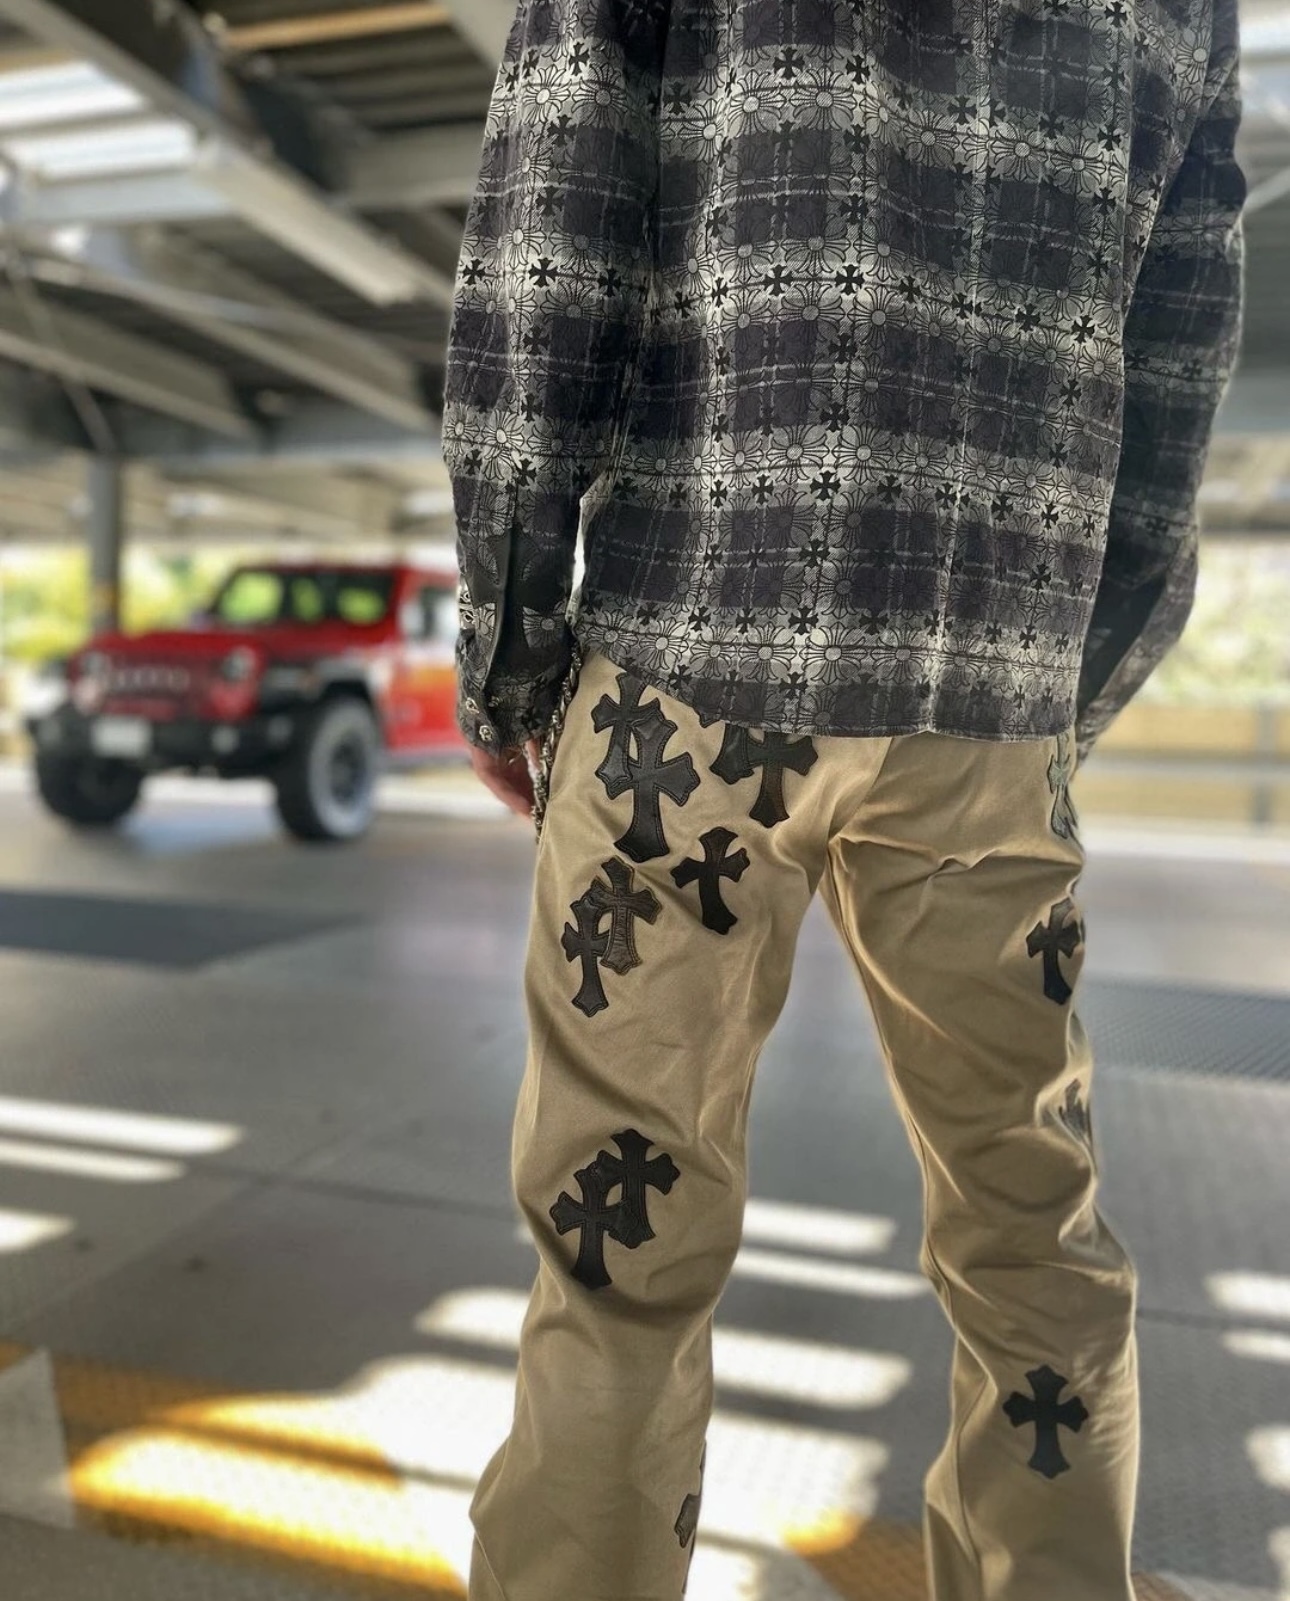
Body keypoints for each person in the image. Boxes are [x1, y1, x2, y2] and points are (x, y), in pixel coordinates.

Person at [439, 0, 1246, 1594]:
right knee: (1031, 1231)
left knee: (617, 1250)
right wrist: (1061, 690)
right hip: (990, 696)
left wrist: (509, 646)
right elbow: (1176, 356)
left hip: (683, 677)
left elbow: (548, 246)